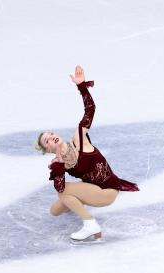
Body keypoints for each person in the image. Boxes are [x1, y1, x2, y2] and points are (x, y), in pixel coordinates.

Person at [35, 65, 139, 243]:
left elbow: (90, 110)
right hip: (92, 189)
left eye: (51, 134)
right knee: (55, 210)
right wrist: (59, 162)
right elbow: (59, 185)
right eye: (47, 141)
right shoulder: (57, 163)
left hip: (107, 191)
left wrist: (81, 86)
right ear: (47, 150)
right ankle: (78, 204)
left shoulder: (79, 139)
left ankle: (90, 224)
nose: (51, 137)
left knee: (64, 193)